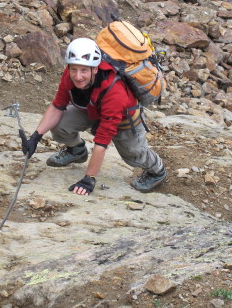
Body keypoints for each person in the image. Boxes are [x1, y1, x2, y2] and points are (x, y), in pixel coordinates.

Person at [21, 37, 166, 195]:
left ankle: (157, 170)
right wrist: (36, 136)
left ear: (95, 69)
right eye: (74, 69)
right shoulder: (69, 75)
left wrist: (89, 178)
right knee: (60, 124)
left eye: (84, 70)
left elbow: (102, 142)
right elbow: (58, 105)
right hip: (92, 108)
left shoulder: (114, 91)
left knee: (133, 155)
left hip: (123, 118)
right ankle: (76, 151)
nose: (78, 76)